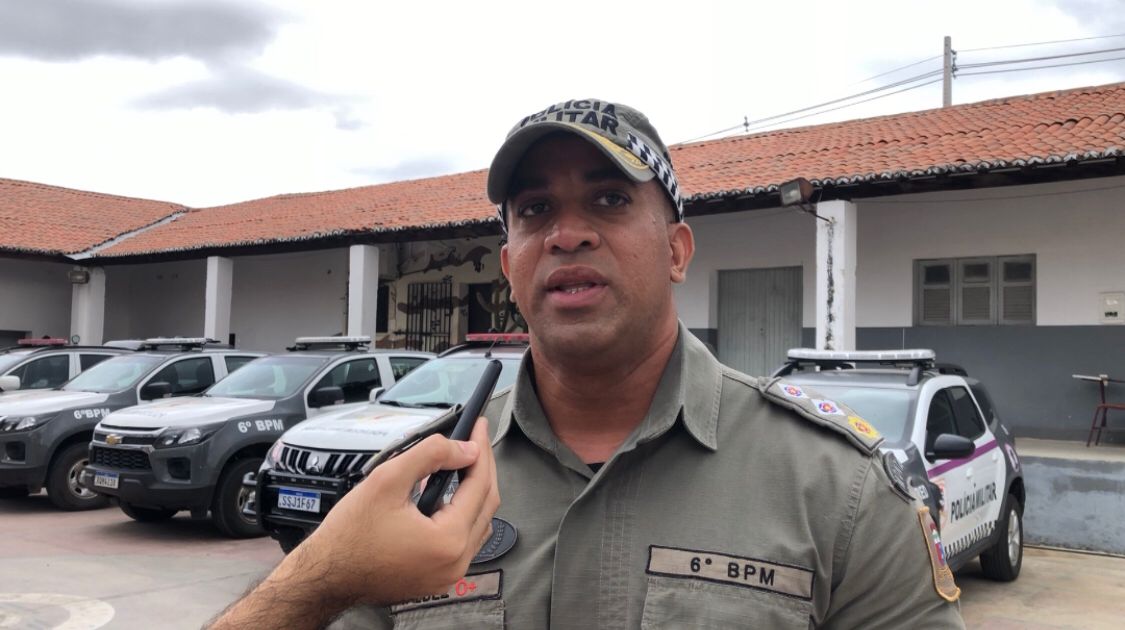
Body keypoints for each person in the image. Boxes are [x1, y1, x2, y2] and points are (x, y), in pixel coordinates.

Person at [209, 99, 965, 629]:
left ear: (677, 251)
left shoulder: (839, 489)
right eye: (535, 210)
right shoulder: (416, 484)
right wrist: (322, 577)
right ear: (510, 267)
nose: (566, 234)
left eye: (608, 200)